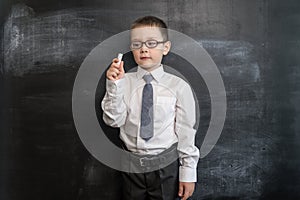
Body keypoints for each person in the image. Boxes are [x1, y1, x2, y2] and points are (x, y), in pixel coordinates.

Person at [101, 16, 199, 200]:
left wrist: (188, 173)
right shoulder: (123, 82)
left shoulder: (179, 86)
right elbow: (113, 121)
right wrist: (114, 85)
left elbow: (186, 132)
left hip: (165, 165)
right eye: (137, 44)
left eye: (152, 43)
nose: (144, 49)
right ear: (131, 48)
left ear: (166, 47)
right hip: (130, 165)